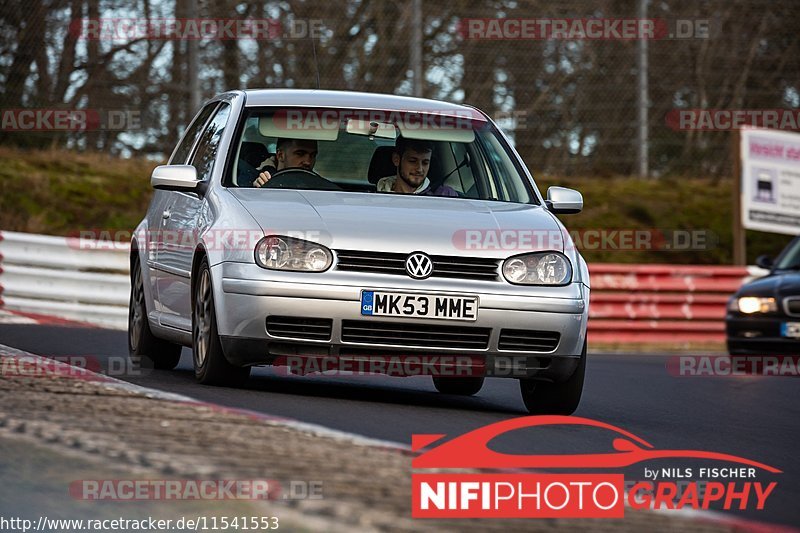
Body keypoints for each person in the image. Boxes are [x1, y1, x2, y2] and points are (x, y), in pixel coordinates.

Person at [376, 137, 459, 197]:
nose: (419, 169)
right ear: (396, 159)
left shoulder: (445, 195)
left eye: (425, 163)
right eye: (413, 161)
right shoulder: (372, 199)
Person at [251, 138, 318, 187]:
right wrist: (257, 188)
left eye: (313, 155)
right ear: (280, 155)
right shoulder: (253, 177)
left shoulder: (320, 183)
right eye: (300, 154)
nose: (308, 162)